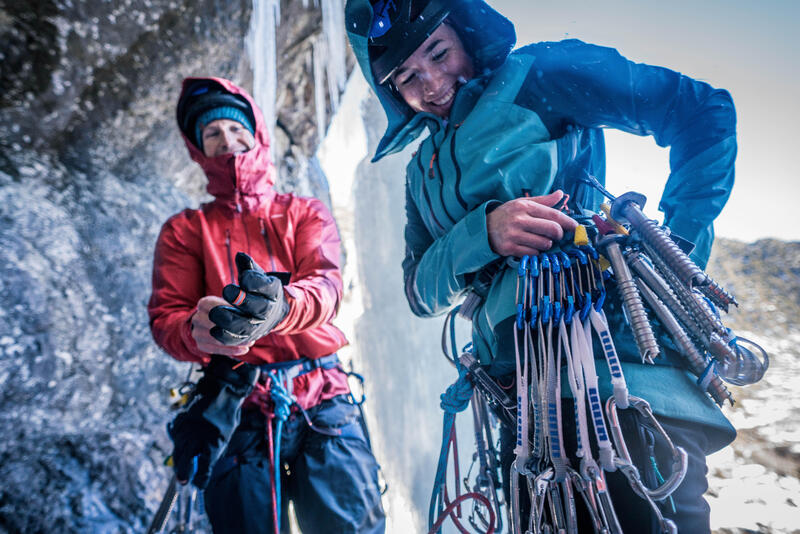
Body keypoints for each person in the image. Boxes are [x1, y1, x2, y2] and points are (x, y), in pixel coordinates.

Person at [345, 0, 738, 532]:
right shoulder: (421, 174)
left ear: (465, 34)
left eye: (438, 53)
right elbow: (419, 291)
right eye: (407, 77)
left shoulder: (538, 76)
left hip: (615, 375)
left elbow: (701, 110)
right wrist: (482, 234)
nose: (432, 85)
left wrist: (675, 257)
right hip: (520, 410)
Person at [148, 76, 385, 534]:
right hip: (238, 402)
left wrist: (283, 308)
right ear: (199, 150)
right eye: (212, 134)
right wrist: (199, 331)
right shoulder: (185, 230)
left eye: (235, 129)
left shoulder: (304, 213)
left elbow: (326, 286)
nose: (227, 141)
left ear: (255, 133)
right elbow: (168, 317)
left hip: (321, 393)